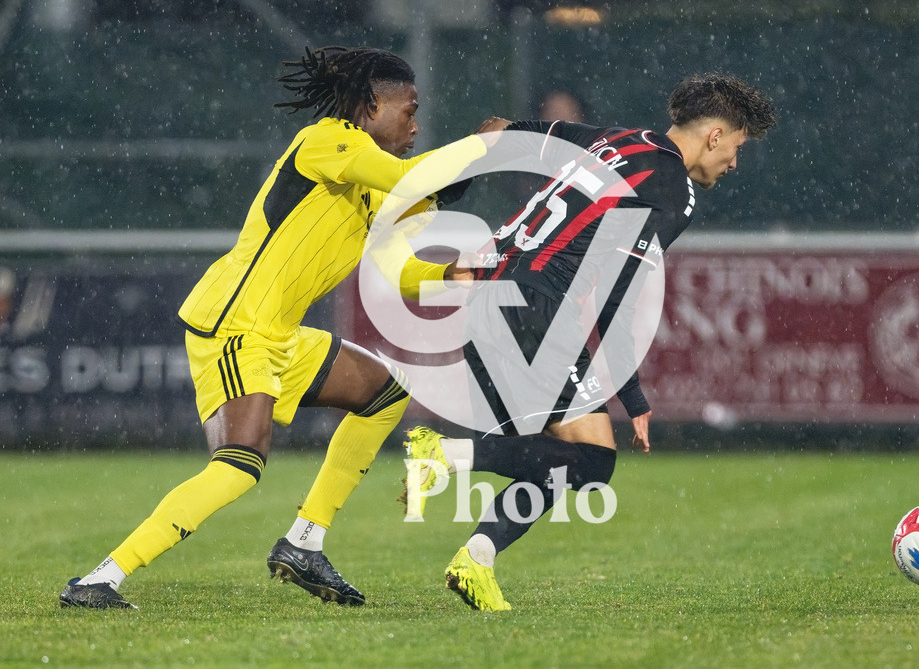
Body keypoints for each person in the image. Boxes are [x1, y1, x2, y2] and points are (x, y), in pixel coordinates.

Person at [59, 45, 503, 609]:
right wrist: (481, 148)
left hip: (280, 335)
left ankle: (305, 542)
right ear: (370, 104)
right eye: (408, 111)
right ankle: (101, 578)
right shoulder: (328, 140)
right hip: (235, 324)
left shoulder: (377, 188)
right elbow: (418, 179)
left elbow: (400, 273)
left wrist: (455, 274)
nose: (415, 126)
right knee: (240, 465)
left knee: (384, 394)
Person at [401, 73, 777, 611]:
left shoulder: (617, 140)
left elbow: (499, 131)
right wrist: (636, 398)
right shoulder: (674, 188)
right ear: (715, 135)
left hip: (488, 298)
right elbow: (616, 299)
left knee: (558, 460)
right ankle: (443, 456)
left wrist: (447, 192)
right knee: (593, 461)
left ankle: (476, 559)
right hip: (535, 310)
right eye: (737, 147)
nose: (734, 163)